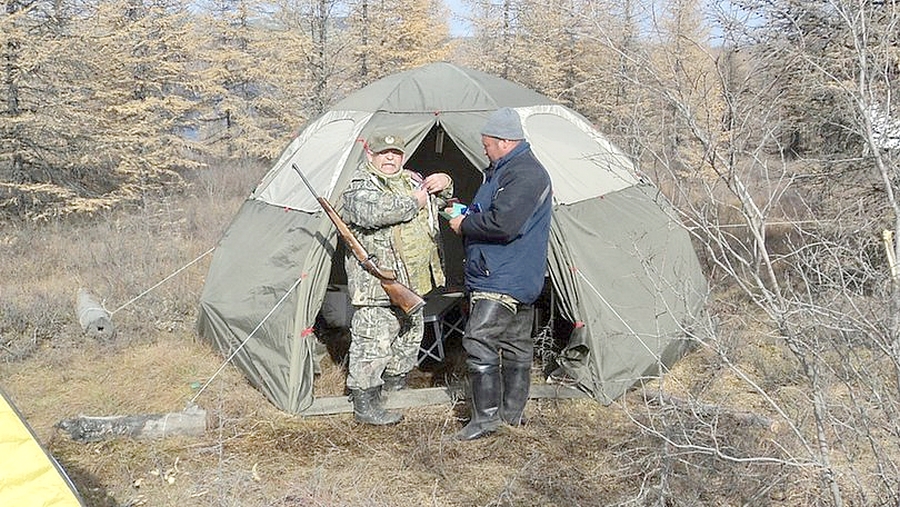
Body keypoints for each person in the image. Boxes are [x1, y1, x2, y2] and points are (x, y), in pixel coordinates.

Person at [448, 107, 552, 440]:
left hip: (503, 276)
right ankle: (510, 416)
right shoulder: (503, 170)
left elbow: (504, 224)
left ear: (505, 142)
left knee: (479, 340)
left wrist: (464, 225)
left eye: (488, 144)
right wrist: (464, 209)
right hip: (509, 272)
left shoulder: (525, 174)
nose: (484, 149)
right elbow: (491, 211)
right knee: (515, 343)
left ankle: (485, 421)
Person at [341, 131, 454, 425]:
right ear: (370, 155)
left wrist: (443, 182)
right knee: (372, 343)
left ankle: (393, 391)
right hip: (377, 286)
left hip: (414, 285)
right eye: (383, 153)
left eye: (395, 153)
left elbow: (441, 202)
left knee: (407, 339)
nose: (390, 158)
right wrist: (413, 202)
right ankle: (365, 404)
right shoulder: (359, 186)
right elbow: (372, 211)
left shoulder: (413, 180)